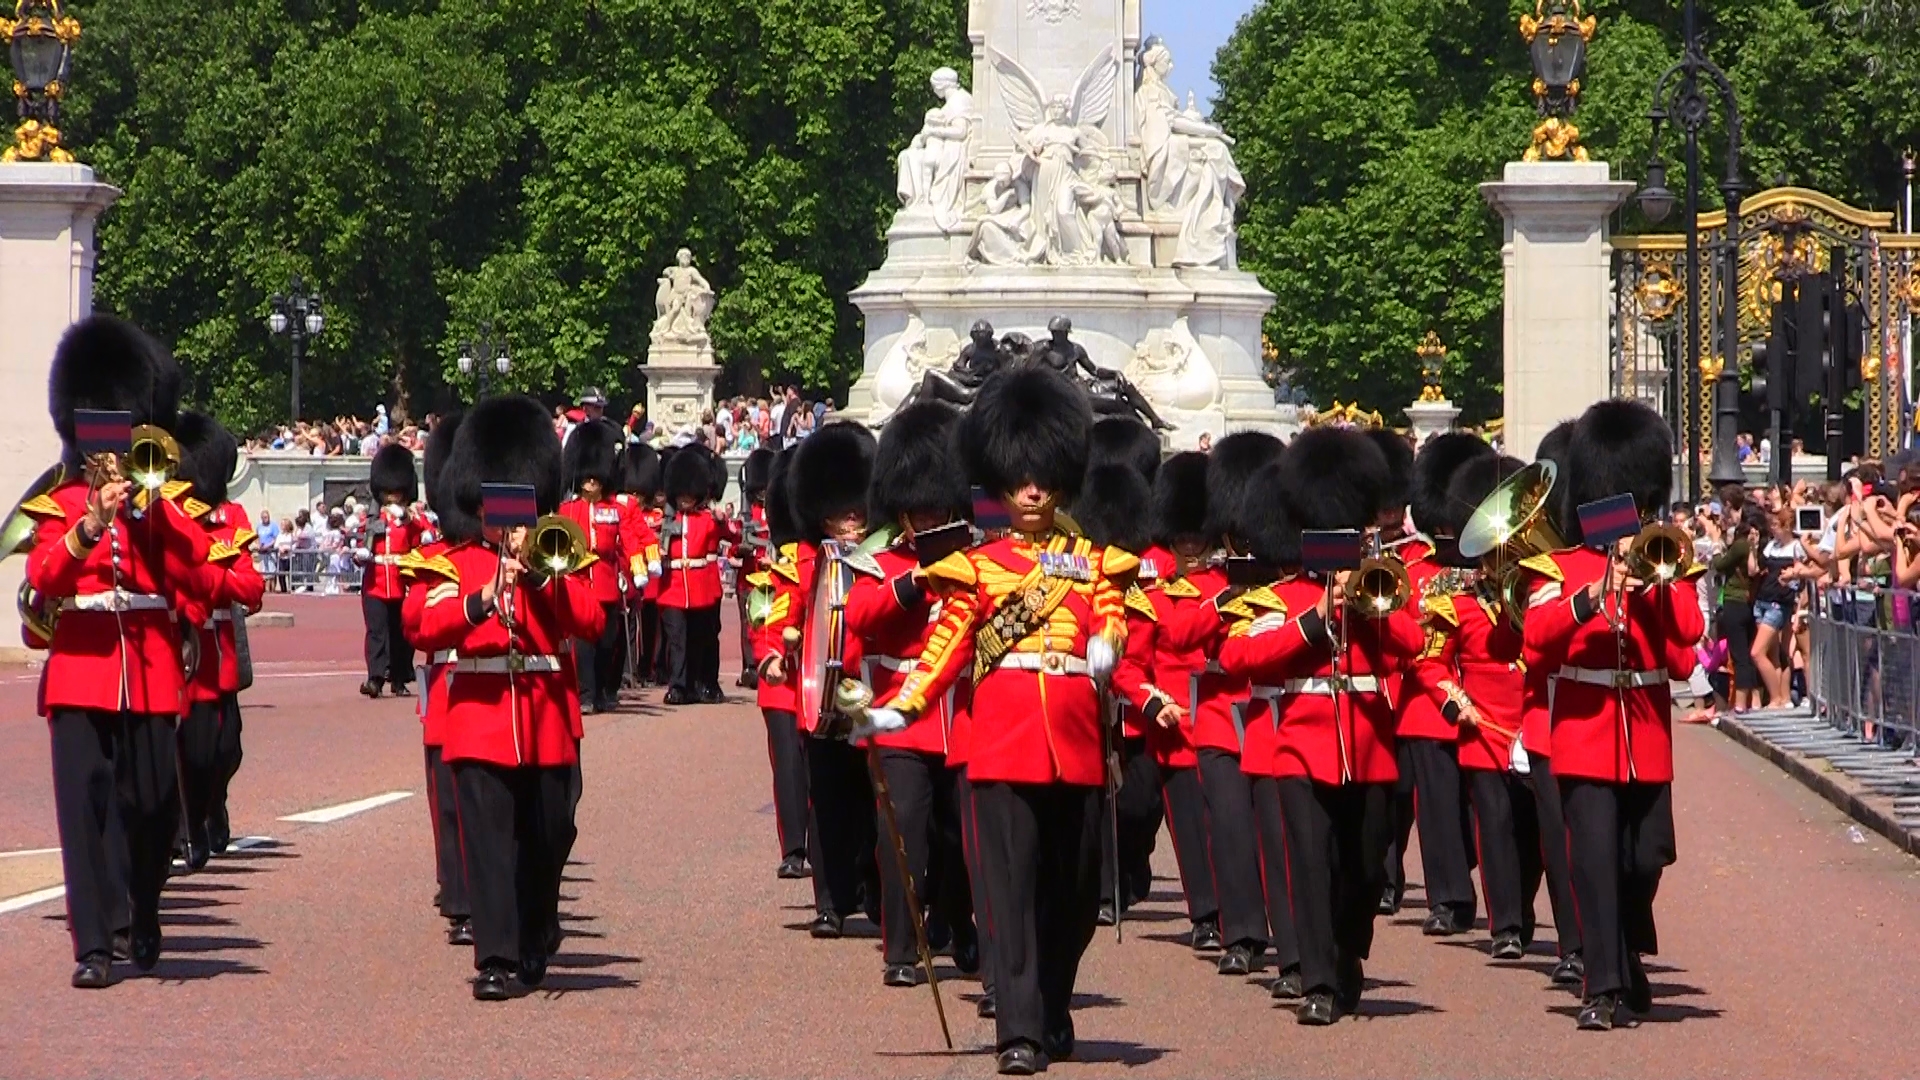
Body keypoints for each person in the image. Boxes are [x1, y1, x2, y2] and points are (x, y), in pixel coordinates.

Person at [863, 366, 1133, 1075]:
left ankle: (1050, 1001)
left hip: (1073, 741)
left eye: (1043, 477)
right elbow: (946, 648)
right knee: (1007, 895)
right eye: (1020, 479)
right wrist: (899, 708)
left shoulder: (1098, 565)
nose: (1033, 491)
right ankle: (1018, 1029)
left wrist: (1108, 646)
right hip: (1003, 743)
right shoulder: (977, 570)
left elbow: (1110, 618)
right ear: (1001, 486)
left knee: (1073, 899)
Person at [26, 315, 217, 988]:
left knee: (154, 806)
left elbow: (198, 565)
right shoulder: (59, 505)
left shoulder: (161, 501)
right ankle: (95, 944)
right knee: (85, 810)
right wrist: (90, 522)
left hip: (149, 671)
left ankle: (144, 906)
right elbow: (44, 578)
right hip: (80, 671)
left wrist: (151, 504)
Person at [1219, 427, 1423, 1024]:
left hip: (1367, 744)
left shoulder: (1378, 586)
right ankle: (1318, 982)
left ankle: (1346, 955)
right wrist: (1314, 620)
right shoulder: (1275, 597)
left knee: (1363, 869)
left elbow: (1411, 644)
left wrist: (1363, 611)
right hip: (1298, 745)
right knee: (1308, 864)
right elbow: (1240, 658)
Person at [409, 394, 606, 1000]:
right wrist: (482, 600)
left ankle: (537, 923)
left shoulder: (559, 553)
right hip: (479, 716)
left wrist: (547, 576)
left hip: (546, 716)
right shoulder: (452, 564)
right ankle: (494, 956)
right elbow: (420, 624)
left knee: (551, 834)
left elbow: (592, 621)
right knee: (489, 843)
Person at [1519, 399, 1705, 1030]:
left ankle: (1626, 950)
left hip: (1646, 735)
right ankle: (1601, 984)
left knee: (1644, 859)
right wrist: (1592, 595)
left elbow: (1689, 633)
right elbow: (1536, 639)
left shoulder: (1665, 562)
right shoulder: (1557, 568)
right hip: (1583, 731)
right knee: (1593, 860)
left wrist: (1655, 579)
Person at [846, 402, 981, 987]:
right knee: (904, 832)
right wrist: (915, 581)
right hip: (901, 716)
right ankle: (902, 947)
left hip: (963, 715)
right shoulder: (879, 563)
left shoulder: (978, 562)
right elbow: (860, 616)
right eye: (917, 515)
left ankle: (960, 924)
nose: (925, 523)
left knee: (963, 838)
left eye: (935, 512)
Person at [1153, 431, 1282, 982]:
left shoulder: (1285, 579)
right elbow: (1179, 635)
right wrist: (1227, 597)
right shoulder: (1206, 584)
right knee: (1228, 829)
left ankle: (1293, 935)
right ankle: (1243, 934)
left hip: (1272, 714)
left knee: (1275, 833)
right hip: (1218, 719)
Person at [766, 423, 883, 937]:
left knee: (875, 801)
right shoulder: (808, 561)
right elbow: (785, 612)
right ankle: (829, 902)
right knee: (827, 802)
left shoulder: (882, 557)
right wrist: (779, 647)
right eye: (840, 514)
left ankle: (875, 894)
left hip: (873, 693)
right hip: (822, 698)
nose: (851, 523)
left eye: (857, 512)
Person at [1108, 451, 1225, 963]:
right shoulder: (1152, 587)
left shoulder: (1231, 582)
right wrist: (1150, 700)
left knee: (1230, 824)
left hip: (1226, 715)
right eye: (1185, 537)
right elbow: (1130, 660)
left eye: (1199, 536)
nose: (1192, 545)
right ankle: (1205, 913)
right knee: (1188, 828)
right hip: (1172, 721)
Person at [1432, 453, 1543, 963]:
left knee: (1535, 833)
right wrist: (1455, 702)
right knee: (1494, 828)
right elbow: (1431, 664)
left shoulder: (1538, 598)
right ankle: (1507, 926)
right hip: (1483, 730)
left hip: (1533, 725)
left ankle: (1522, 908)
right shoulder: (1457, 604)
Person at [1384, 432, 1492, 929]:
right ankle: (1449, 899)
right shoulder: (1407, 565)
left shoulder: (1492, 566)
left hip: (1491, 701)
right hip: (1428, 705)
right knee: (1438, 810)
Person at [172, 412, 266, 870]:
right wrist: (217, 578)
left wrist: (209, 582)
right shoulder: (172, 516)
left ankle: (212, 805)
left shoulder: (235, 518)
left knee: (227, 749)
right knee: (186, 747)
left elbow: (252, 590)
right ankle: (184, 826)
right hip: (183, 653)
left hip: (221, 654)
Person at [399, 410, 474, 947]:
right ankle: (457, 894)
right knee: (446, 801)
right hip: (446, 688)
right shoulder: (432, 560)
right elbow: (414, 625)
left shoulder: (499, 558)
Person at [744, 446, 812, 880]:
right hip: (783, 682)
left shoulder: (823, 561)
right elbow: (761, 615)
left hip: (820, 678)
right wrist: (768, 654)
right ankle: (794, 846)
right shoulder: (774, 567)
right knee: (787, 766)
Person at [559, 419, 657, 714]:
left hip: (606, 582)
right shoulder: (567, 510)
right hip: (578, 583)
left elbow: (626, 540)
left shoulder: (613, 509)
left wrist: (638, 568)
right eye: (587, 476)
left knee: (607, 642)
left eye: (596, 477)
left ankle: (603, 689)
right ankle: (586, 694)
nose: (591, 482)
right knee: (584, 644)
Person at [657, 444, 738, 704]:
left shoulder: (708, 520)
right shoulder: (666, 521)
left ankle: (706, 683)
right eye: (680, 495)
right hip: (673, 587)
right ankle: (679, 686)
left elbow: (734, 536)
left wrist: (722, 520)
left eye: (688, 495)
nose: (683, 499)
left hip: (702, 586)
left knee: (702, 639)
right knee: (677, 640)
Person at [359, 443, 422, 698]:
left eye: (396, 492)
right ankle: (375, 678)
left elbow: (421, 536)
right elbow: (365, 545)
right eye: (387, 493)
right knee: (376, 632)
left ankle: (398, 678)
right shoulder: (374, 518)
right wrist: (362, 555)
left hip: (401, 581)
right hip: (375, 582)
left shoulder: (411, 519)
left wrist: (408, 519)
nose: (391, 497)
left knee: (400, 634)